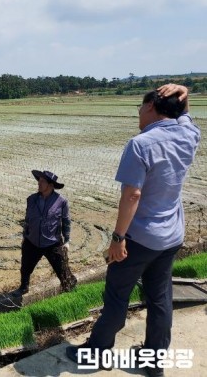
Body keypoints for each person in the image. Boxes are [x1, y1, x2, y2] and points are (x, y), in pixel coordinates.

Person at [66, 84, 200, 377]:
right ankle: (153, 364)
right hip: (171, 236)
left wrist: (117, 238)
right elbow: (185, 116)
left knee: (116, 296)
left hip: (140, 237)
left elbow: (132, 196)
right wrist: (184, 95)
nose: (138, 113)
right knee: (160, 298)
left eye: (140, 107)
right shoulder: (189, 134)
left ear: (151, 106)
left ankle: (98, 353)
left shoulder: (141, 143)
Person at [12, 170, 77, 297]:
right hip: (32, 241)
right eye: (39, 180)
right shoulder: (31, 199)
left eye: (42, 181)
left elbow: (66, 221)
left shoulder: (61, 201)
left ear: (51, 185)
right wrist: (25, 237)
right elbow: (27, 220)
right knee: (25, 267)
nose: (39, 183)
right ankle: (23, 287)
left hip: (53, 242)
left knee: (62, 270)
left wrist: (67, 241)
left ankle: (70, 287)